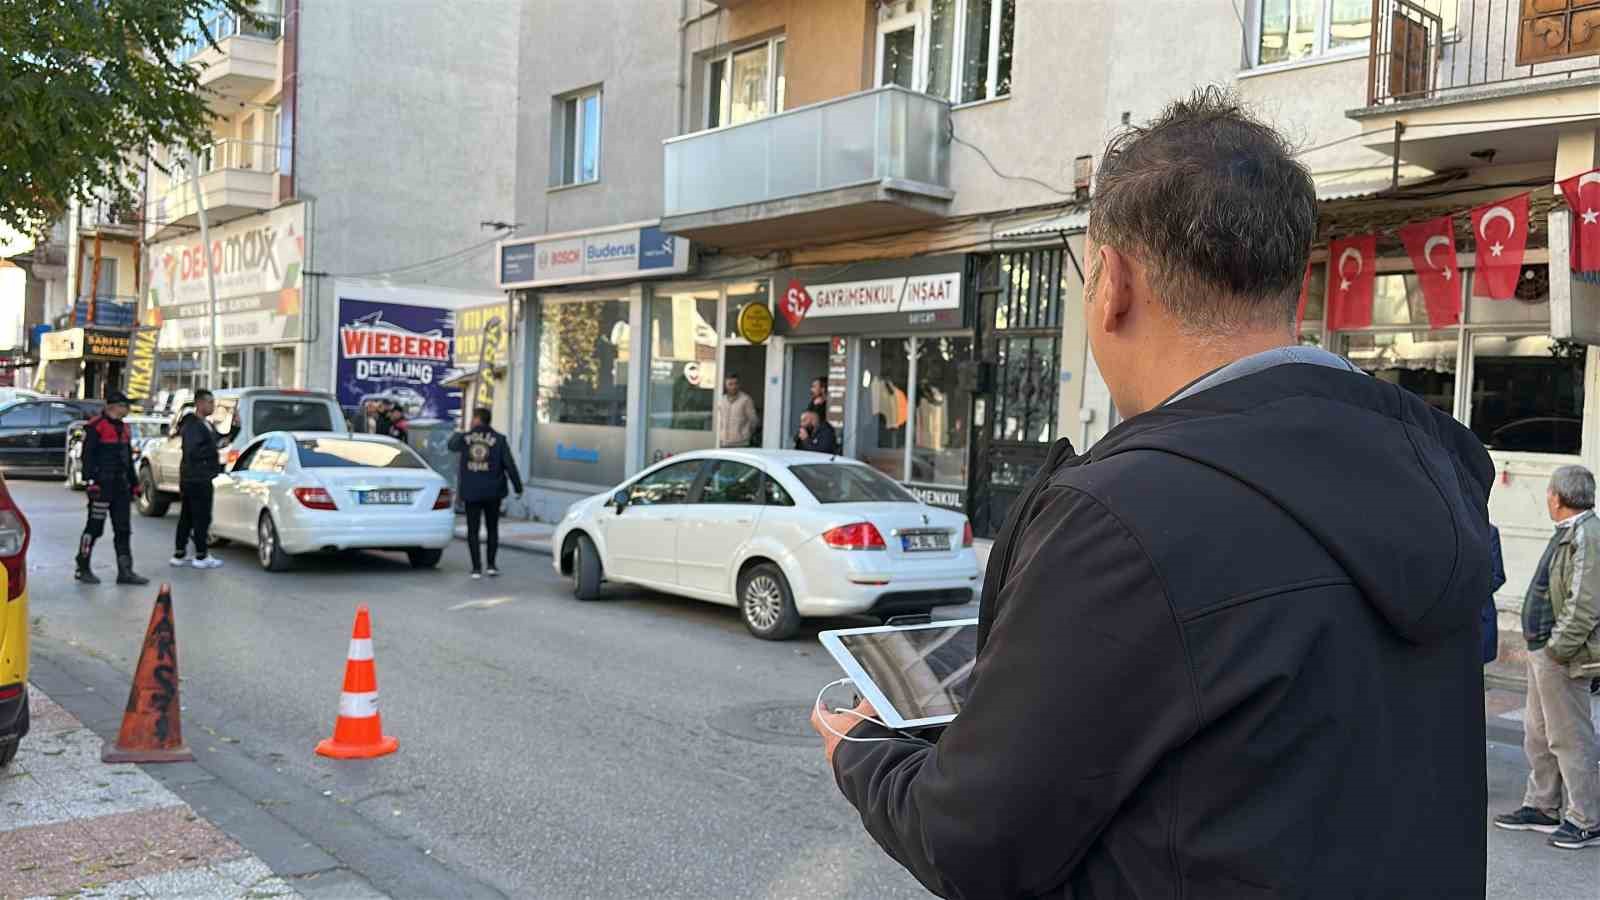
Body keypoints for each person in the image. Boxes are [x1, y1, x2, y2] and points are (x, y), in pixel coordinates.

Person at [810, 88, 1496, 897]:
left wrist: (860, 752)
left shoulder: (1124, 514)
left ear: (1114, 282)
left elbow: (969, 841)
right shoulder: (1433, 464)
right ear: (1293, 285)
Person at [1494, 466, 1600, 850]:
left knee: (1569, 737)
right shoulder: (1571, 533)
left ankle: (1585, 819)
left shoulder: (1587, 536)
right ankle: (1542, 805)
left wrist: (1557, 648)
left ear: (1559, 497)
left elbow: (1584, 604)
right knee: (1538, 734)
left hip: (1560, 656)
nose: (1547, 499)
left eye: (1549, 493)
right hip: (1544, 652)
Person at [74, 391, 150, 586]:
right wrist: (91, 482)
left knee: (123, 529)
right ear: (113, 406)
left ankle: (125, 572)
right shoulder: (95, 427)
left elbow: (127, 459)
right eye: (125, 405)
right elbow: (87, 458)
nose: (128, 409)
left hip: (121, 488)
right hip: (101, 488)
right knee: (94, 528)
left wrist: (135, 485)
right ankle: (82, 567)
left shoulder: (125, 428)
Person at [448, 406, 524, 579]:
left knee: (473, 530)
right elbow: (509, 465)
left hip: (472, 491)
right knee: (492, 528)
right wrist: (518, 487)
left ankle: (476, 568)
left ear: (476, 419)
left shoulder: (466, 438)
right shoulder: (499, 439)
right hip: (493, 491)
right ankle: (491, 565)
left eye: (472, 418)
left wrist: (461, 431)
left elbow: (451, 445)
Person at [172, 389, 223, 570]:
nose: (213, 406)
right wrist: (211, 457)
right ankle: (201, 555)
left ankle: (180, 553)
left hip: (197, 476)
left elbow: (219, 441)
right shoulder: (193, 425)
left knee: (188, 515)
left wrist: (235, 428)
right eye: (210, 402)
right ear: (200, 403)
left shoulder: (206, 424)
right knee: (201, 516)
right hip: (196, 477)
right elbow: (193, 450)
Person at [717, 374, 757, 448]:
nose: (733, 387)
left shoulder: (746, 399)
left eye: (736, 384)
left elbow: (753, 420)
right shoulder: (721, 400)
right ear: (726, 385)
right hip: (724, 442)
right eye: (730, 384)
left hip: (741, 443)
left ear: (739, 385)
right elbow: (719, 419)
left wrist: (745, 434)